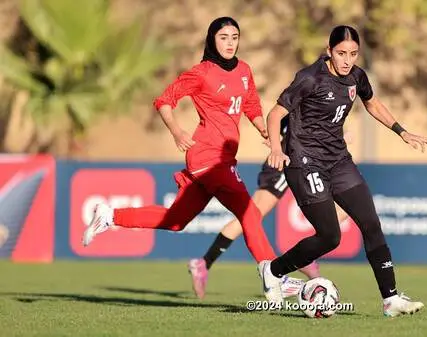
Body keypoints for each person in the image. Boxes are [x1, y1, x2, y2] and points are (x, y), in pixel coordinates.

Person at [81, 17, 285, 278]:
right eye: (224, 37)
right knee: (249, 212)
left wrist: (263, 129)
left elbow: (251, 105)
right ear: (212, 39)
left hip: (220, 159)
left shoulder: (244, 70)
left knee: (176, 221)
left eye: (235, 37)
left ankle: (109, 215)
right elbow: (164, 101)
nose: (230, 43)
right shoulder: (202, 73)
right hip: (208, 157)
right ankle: (272, 274)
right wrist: (177, 132)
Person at [258, 25, 427, 317]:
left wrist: (401, 131)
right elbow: (275, 114)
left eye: (353, 54)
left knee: (371, 224)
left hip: (339, 161)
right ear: (329, 51)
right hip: (304, 163)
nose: (347, 60)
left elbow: (372, 102)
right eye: (341, 53)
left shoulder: (356, 76)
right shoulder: (309, 78)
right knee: (330, 237)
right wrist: (277, 148)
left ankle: (391, 299)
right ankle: (274, 270)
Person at [188, 115, 351, 299]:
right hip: (282, 166)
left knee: (344, 208)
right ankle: (204, 262)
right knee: (250, 217)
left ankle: (307, 255)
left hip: (306, 166)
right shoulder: (303, 102)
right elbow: (288, 130)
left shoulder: (311, 103)